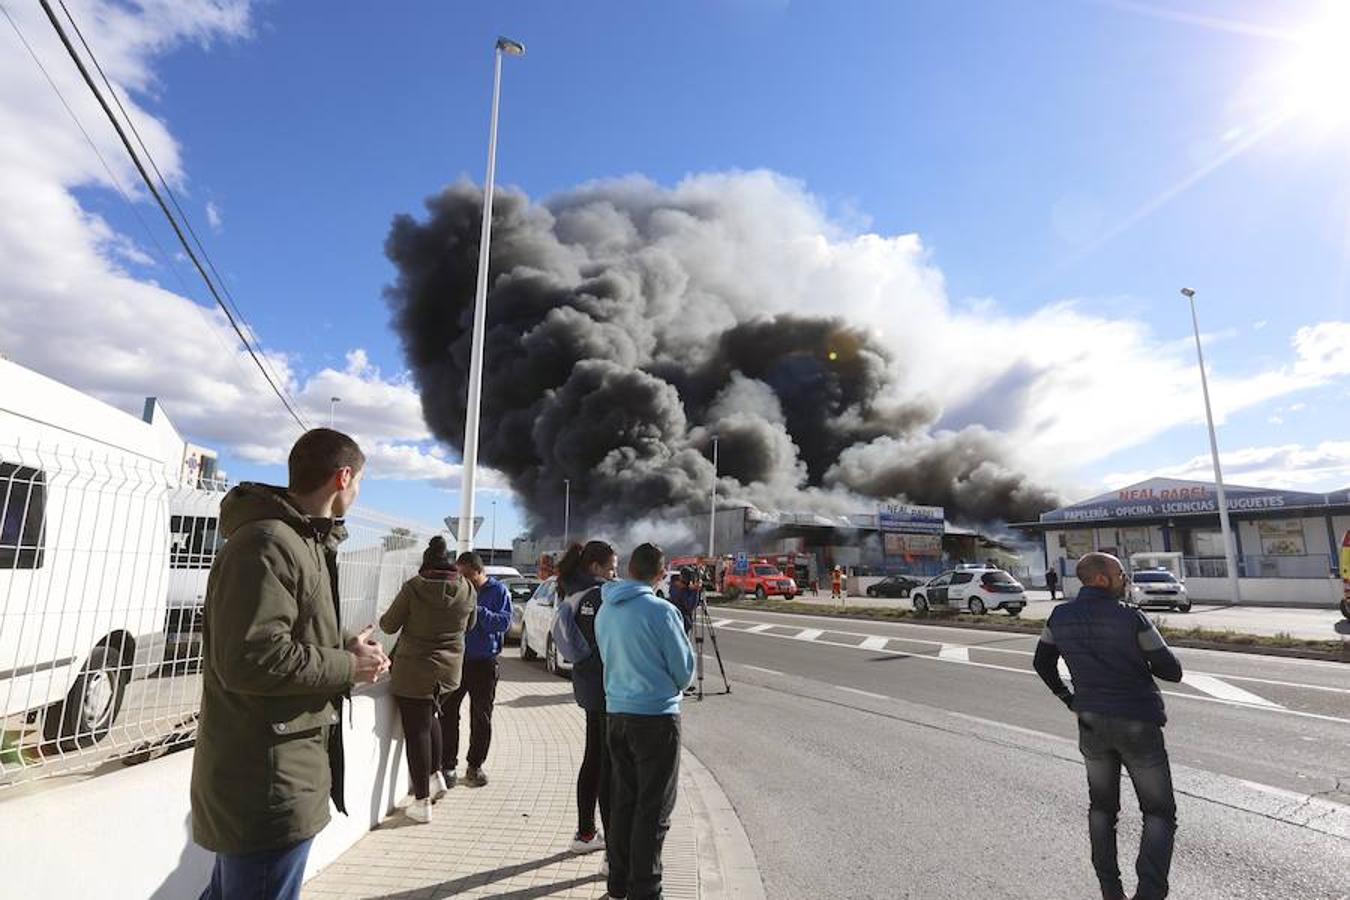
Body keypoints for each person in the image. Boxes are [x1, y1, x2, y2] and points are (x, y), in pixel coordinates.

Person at [191, 429, 389, 900]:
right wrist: (347, 666)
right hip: (266, 783)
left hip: (282, 772)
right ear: (343, 477)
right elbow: (251, 658)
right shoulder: (268, 543)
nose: (357, 492)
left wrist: (348, 648)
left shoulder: (303, 541)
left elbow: (285, 636)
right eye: (359, 481)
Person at [1033, 552, 1183, 900]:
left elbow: (1042, 662)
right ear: (1102, 579)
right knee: (1158, 812)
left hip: (1091, 723)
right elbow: (1171, 671)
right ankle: (1149, 893)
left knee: (1102, 809)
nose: (1125, 580)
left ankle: (1110, 890)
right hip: (1137, 722)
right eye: (1120, 574)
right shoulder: (1131, 617)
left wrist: (1069, 699)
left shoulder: (1059, 616)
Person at [595, 543, 697, 900]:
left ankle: (617, 885)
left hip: (617, 715)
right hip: (656, 718)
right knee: (653, 810)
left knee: (623, 802)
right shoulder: (662, 611)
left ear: (628, 569)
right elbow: (684, 674)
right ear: (660, 573)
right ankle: (647, 891)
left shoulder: (606, 608)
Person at [379, 536, 477, 824]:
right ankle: (435, 777)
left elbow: (388, 624)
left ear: (426, 562)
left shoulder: (414, 587)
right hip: (449, 673)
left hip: (414, 671)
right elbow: (470, 625)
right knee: (432, 716)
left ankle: (421, 801)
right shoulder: (467, 588)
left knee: (417, 730)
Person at [550, 540, 620, 861]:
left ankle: (585, 832)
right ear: (595, 568)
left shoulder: (571, 592)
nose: (614, 574)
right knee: (609, 768)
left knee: (593, 758)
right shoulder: (600, 595)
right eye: (611, 569)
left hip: (587, 686)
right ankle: (613, 855)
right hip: (610, 687)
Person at [444, 551, 513, 787]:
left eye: (469, 577)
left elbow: (503, 622)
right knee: (448, 712)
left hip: (484, 662)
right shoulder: (457, 588)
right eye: (460, 576)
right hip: (457, 661)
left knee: (481, 716)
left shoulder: (498, 591)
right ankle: (447, 766)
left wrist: (478, 610)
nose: (464, 582)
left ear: (480, 571)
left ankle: (475, 766)